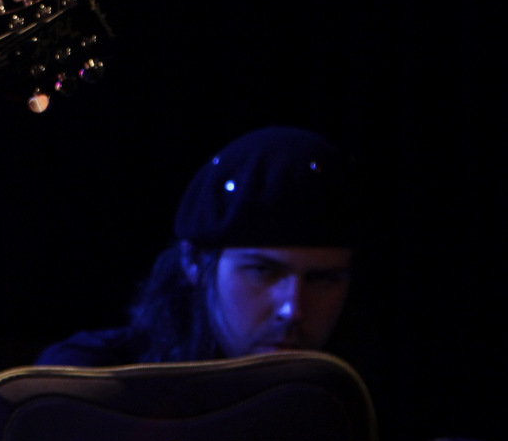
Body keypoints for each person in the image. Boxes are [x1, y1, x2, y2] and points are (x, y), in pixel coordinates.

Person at [38, 126, 357, 366]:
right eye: (262, 271)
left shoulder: (370, 397)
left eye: (323, 279)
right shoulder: (91, 375)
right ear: (194, 262)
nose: (293, 310)